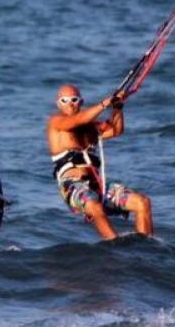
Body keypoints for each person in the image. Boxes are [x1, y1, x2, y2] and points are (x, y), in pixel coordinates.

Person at [46, 84, 152, 240]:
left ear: (81, 102)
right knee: (94, 206)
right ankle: (114, 243)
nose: (70, 104)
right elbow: (78, 119)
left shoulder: (90, 128)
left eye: (74, 100)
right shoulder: (56, 122)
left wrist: (118, 107)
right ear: (58, 104)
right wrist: (105, 103)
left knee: (142, 202)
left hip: (97, 185)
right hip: (72, 185)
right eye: (64, 100)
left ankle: (147, 247)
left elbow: (116, 130)